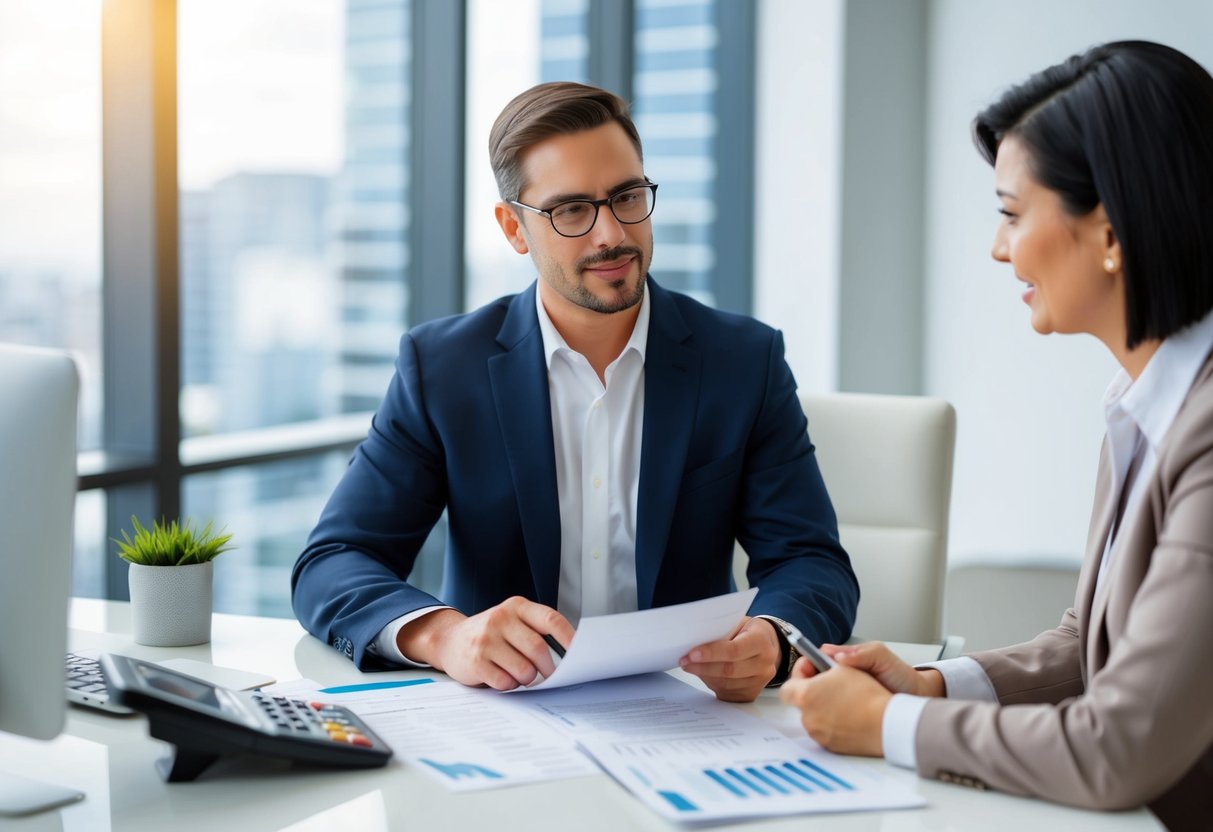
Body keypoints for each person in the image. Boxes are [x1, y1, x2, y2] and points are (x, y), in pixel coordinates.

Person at [292, 81, 859, 702]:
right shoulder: (443, 367)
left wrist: (774, 640)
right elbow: (335, 561)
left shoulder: (743, 361)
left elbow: (811, 560)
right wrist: (445, 636)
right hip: (504, 719)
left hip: (688, 715)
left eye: (627, 196)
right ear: (514, 228)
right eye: (570, 211)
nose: (610, 234)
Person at [779, 41, 1213, 829]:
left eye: (1012, 214)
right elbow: (1094, 644)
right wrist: (932, 685)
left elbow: (1117, 745)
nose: (997, 247)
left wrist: (888, 726)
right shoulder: (1149, 400)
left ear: (1110, 234)